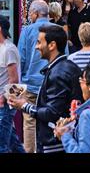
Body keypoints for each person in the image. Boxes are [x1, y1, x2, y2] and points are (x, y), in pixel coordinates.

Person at [9, 25, 82, 154]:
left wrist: (24, 105)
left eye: (39, 42)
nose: (36, 47)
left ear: (52, 45)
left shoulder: (58, 73)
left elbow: (52, 112)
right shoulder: (63, 67)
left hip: (55, 144)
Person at [17, 0, 57, 153]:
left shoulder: (27, 31)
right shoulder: (58, 30)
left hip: (31, 83)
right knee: (52, 119)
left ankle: (30, 151)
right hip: (52, 84)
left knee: (29, 122)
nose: (29, 16)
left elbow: (21, 58)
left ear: (35, 13)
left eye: (29, 13)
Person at [0, 16, 25, 153]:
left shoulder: (8, 49)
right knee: (12, 142)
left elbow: (14, 79)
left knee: (2, 145)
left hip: (4, 103)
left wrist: (3, 99)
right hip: (3, 102)